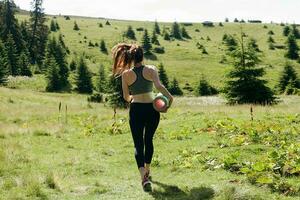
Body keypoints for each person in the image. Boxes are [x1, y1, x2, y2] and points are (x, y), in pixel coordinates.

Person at [111, 43, 174, 192]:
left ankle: (143, 177)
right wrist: (169, 98)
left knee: (138, 144)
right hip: (152, 109)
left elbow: (127, 97)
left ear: (131, 58)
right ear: (142, 56)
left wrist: (134, 95)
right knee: (148, 140)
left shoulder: (126, 74)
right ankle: (148, 169)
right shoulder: (151, 69)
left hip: (136, 110)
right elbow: (158, 87)